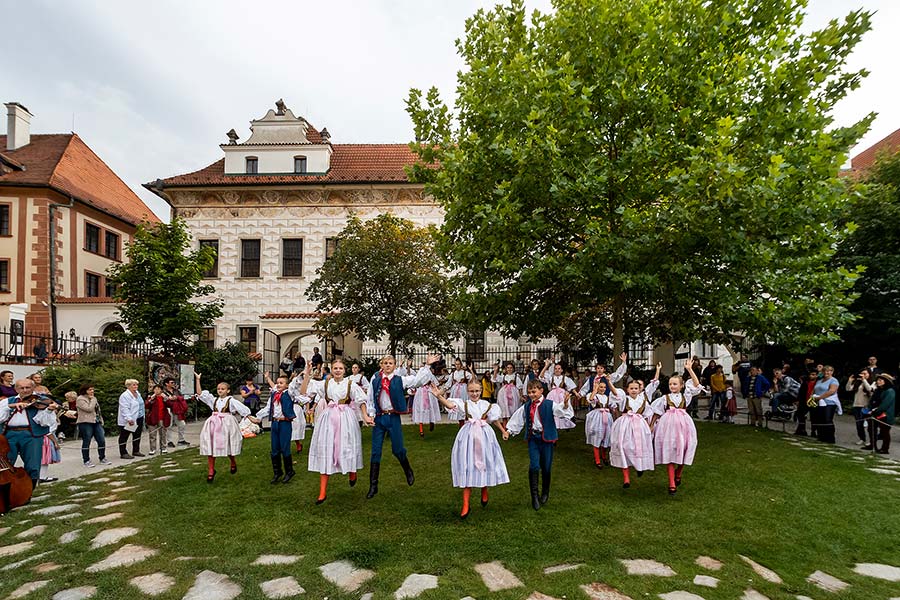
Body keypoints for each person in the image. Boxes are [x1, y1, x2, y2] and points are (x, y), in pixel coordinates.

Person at [362, 354, 440, 499]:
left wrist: (427, 365)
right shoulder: (375, 379)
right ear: (381, 364)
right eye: (385, 363)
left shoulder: (400, 379)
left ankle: (407, 469)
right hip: (379, 418)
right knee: (375, 451)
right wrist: (371, 414)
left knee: (397, 449)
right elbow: (371, 398)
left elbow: (417, 381)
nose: (387, 365)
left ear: (394, 365)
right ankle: (373, 486)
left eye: (390, 363)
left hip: (393, 418)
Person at [431, 381, 509, 518]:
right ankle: (466, 504)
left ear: (481, 391)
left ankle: (484, 489)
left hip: (484, 435)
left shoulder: (487, 405)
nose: (474, 394)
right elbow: (450, 405)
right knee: (468, 465)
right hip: (468, 436)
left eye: (477, 391)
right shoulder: (464, 404)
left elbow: (494, 419)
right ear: (468, 392)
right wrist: (439, 396)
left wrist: (503, 431)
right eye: (472, 391)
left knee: (485, 462)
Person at [301, 360, 368, 503]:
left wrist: (365, 416)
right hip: (328, 418)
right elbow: (304, 392)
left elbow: (361, 400)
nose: (338, 370)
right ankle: (322, 492)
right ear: (331, 370)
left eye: (340, 368)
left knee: (347, 446)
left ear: (344, 370)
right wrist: (307, 374)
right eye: (335, 368)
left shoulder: (351, 384)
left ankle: (352, 472)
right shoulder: (325, 384)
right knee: (327, 450)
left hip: (346, 418)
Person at [504, 379, 573, 510]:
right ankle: (534, 496)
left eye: (534, 392)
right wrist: (509, 431)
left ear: (541, 390)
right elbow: (518, 419)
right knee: (534, 466)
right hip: (533, 439)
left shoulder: (549, 404)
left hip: (546, 439)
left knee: (546, 467)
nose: (531, 395)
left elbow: (563, 412)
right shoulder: (526, 406)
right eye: (529, 392)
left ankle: (545, 492)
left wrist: (565, 404)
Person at [649, 361, 702, 495]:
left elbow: (697, 385)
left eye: (675, 384)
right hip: (668, 426)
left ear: (681, 385)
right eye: (670, 384)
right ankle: (672, 483)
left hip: (684, 425)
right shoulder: (665, 398)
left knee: (685, 448)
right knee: (670, 451)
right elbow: (656, 412)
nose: (672, 386)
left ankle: (679, 472)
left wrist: (689, 370)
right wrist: (651, 426)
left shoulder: (686, 396)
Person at [607, 363, 659, 489]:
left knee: (638, 447)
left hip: (639, 425)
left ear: (639, 389)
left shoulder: (643, 400)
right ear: (627, 390)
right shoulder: (624, 399)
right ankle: (626, 478)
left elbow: (648, 414)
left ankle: (639, 466)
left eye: (636, 388)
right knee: (624, 447)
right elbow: (615, 393)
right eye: (631, 388)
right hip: (625, 425)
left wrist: (650, 426)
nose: (634, 390)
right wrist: (609, 383)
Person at [0, 378, 58, 489]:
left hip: (32, 434)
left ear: (33, 388)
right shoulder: (7, 401)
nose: (25, 390)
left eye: (28, 387)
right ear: (16, 389)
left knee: (33, 464)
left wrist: (49, 410)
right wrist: (9, 407)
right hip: (9, 434)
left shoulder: (40, 401)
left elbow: (44, 422)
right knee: (6, 462)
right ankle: (7, 488)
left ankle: (29, 490)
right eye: (22, 388)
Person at [195, 373, 251, 482]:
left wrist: (249, 417)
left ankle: (233, 461)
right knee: (211, 446)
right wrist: (198, 380)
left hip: (226, 424)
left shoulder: (231, 401)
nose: (220, 391)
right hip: (213, 424)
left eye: (223, 389)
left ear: (228, 391)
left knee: (227, 445)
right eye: (219, 389)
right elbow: (200, 394)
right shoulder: (213, 400)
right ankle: (211, 470)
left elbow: (243, 409)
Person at [258, 371, 304, 485]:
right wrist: (258, 417)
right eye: (277, 382)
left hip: (285, 423)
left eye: (281, 383)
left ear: (286, 385)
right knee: (274, 449)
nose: (278, 384)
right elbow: (268, 408)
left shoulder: (289, 393)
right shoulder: (273, 394)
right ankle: (277, 472)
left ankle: (289, 471)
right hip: (275, 423)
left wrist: (304, 372)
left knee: (285, 448)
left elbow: (294, 384)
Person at [584, 378, 614, 468]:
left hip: (607, 417)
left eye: (604, 387)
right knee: (597, 436)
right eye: (601, 387)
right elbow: (590, 399)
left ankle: (604, 456)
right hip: (597, 417)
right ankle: (597, 460)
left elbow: (613, 406)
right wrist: (595, 390)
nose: (603, 389)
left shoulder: (607, 397)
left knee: (606, 436)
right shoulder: (594, 395)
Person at [76, 384, 109, 467]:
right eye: (90, 390)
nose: (92, 391)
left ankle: (102, 457)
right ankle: (86, 460)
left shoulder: (93, 398)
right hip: (85, 422)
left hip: (96, 421)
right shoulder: (80, 399)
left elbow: (97, 410)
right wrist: (93, 400)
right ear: (85, 390)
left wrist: (101, 420)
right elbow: (89, 409)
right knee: (87, 441)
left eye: (93, 389)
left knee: (101, 440)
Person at [540, 358, 577, 430]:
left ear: (562, 370)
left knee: (563, 408)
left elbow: (571, 387)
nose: (557, 370)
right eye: (556, 368)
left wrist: (576, 394)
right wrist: (546, 366)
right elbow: (541, 376)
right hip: (552, 395)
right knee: (552, 409)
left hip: (562, 395)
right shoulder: (551, 378)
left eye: (559, 368)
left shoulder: (565, 378)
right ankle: (553, 423)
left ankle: (565, 423)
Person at [411, 360, 443, 438]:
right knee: (420, 408)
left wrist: (432, 384)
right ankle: (421, 429)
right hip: (421, 392)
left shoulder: (429, 373)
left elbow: (435, 383)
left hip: (428, 391)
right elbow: (415, 382)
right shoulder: (419, 374)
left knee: (431, 407)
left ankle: (431, 421)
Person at [864, 373, 895, 453]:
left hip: (885, 414)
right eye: (877, 380)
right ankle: (872, 444)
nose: (878, 381)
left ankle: (885, 448)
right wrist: (869, 409)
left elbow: (885, 404)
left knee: (884, 432)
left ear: (886, 381)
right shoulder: (877, 390)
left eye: (880, 380)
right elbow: (872, 401)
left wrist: (876, 411)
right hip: (873, 413)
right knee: (871, 429)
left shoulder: (890, 391)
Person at [811, 366, 841, 444]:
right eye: (825, 371)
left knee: (827, 419)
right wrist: (812, 397)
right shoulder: (820, 381)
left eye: (828, 371)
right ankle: (821, 436)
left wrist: (821, 397)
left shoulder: (834, 381)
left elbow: (831, 391)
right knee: (819, 419)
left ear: (832, 372)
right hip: (818, 402)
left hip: (829, 402)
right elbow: (814, 389)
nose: (826, 373)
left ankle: (830, 437)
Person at [117, 379, 144, 459]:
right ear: (128, 386)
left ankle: (136, 450)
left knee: (137, 435)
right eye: (134, 385)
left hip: (139, 417)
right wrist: (129, 418)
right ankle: (123, 452)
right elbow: (124, 408)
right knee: (124, 435)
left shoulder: (138, 394)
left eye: (136, 385)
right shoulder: (125, 396)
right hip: (130, 419)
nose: (136, 386)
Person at [846, 370, 874, 445]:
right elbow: (848, 389)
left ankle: (871, 440)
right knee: (859, 424)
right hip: (857, 405)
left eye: (865, 373)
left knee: (869, 424)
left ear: (869, 374)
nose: (863, 375)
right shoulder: (858, 383)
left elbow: (869, 389)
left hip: (865, 406)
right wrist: (850, 381)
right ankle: (862, 438)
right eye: (862, 373)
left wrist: (864, 380)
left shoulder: (872, 383)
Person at [144, 384, 172, 455]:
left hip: (162, 418)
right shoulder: (151, 397)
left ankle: (163, 447)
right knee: (152, 434)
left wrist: (166, 398)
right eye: (155, 389)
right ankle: (152, 449)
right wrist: (151, 399)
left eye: (158, 389)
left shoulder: (164, 397)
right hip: (152, 418)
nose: (157, 391)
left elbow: (170, 404)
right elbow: (146, 405)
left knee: (163, 434)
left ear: (161, 390)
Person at [163, 377, 190, 448]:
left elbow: (182, 397)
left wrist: (176, 398)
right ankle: (169, 441)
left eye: (174, 383)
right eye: (171, 383)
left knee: (182, 424)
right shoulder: (163, 391)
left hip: (177, 409)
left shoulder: (176, 391)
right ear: (166, 384)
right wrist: (168, 399)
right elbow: (163, 400)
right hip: (168, 409)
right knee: (169, 426)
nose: (173, 384)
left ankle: (181, 440)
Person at [447, 358, 473, 424]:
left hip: (463, 390)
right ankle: (461, 423)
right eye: (456, 364)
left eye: (458, 364)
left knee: (464, 405)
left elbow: (472, 378)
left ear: (461, 365)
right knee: (457, 406)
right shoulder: (453, 374)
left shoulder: (465, 372)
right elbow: (448, 384)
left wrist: (470, 370)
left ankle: (465, 420)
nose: (457, 366)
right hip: (455, 391)